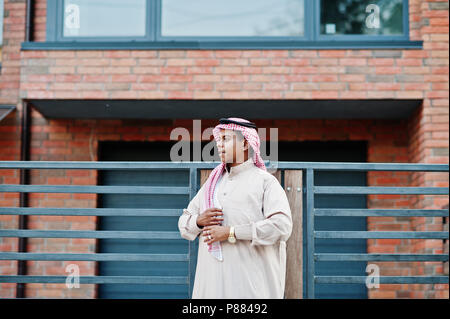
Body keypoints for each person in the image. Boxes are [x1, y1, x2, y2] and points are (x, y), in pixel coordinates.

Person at [178, 117, 292, 299]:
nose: (220, 146)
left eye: (226, 139)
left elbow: (281, 226)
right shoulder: (212, 184)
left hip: (250, 288)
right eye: (219, 140)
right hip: (212, 286)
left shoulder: (265, 182)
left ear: (246, 143)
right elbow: (184, 223)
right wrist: (199, 221)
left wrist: (231, 232)